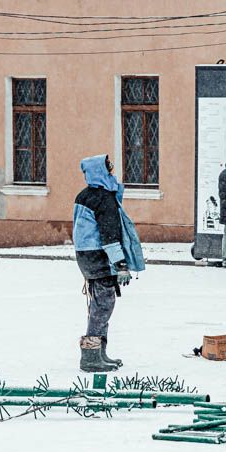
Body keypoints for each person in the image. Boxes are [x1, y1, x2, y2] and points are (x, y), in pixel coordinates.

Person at [73, 155, 145, 373]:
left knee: (98, 305)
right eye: (109, 170)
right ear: (101, 173)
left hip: (86, 256)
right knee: (102, 307)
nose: (112, 174)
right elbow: (109, 235)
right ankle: (91, 358)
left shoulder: (84, 195)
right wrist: (121, 264)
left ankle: (98, 354)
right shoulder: (104, 198)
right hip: (99, 257)